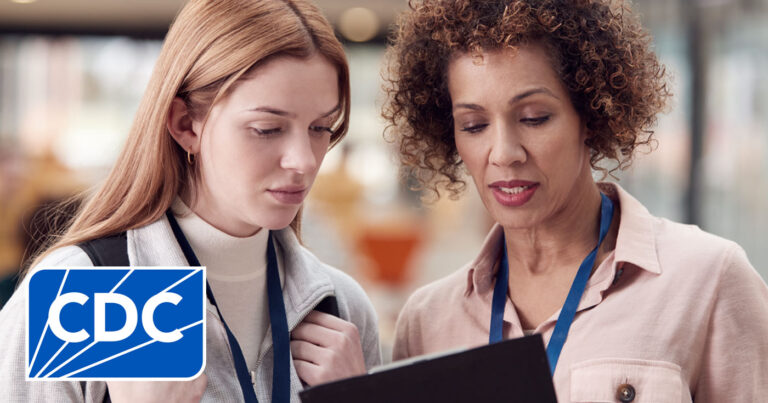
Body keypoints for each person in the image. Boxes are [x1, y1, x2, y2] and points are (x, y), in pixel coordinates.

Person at [383, 0, 768, 401]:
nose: (503, 153)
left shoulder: (709, 279)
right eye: (474, 125)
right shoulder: (427, 321)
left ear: (590, 116)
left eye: (533, 118)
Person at [0, 0, 381, 402]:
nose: (304, 161)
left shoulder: (342, 307)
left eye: (321, 128)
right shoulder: (79, 296)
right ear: (186, 125)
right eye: (267, 129)